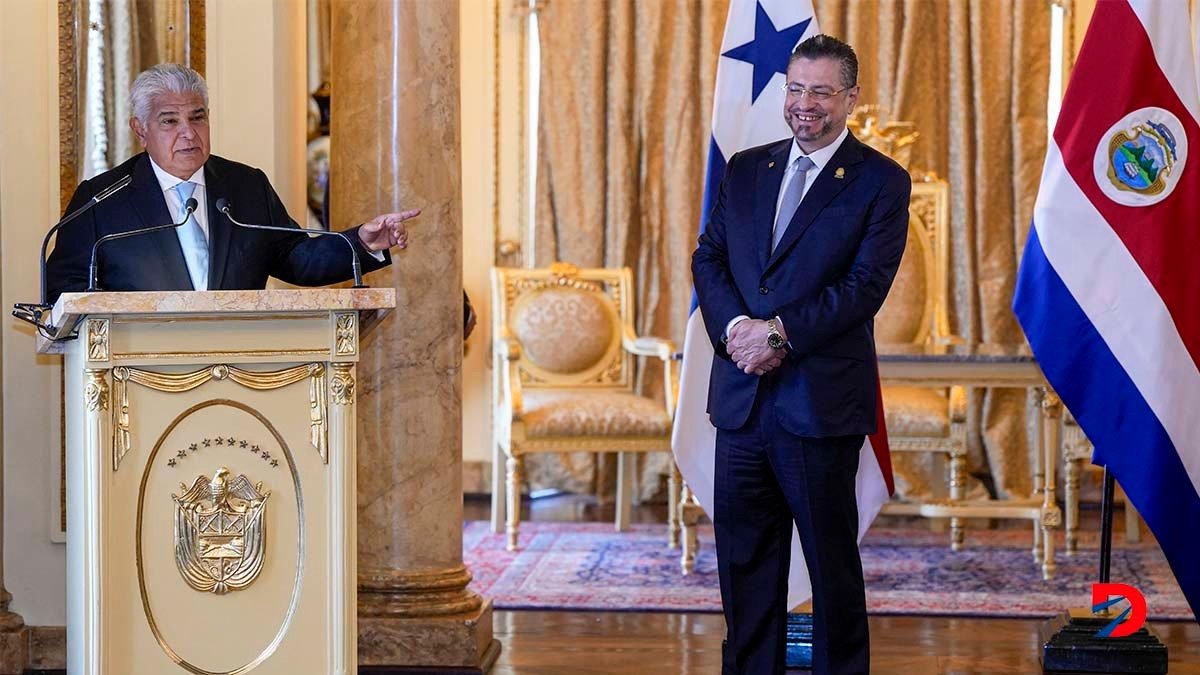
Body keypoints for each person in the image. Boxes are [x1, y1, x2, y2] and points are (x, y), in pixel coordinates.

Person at [691, 34, 911, 675]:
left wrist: (778, 334)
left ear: (851, 97)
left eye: (820, 91)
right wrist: (735, 328)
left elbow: (863, 289)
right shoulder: (745, 167)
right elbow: (710, 257)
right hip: (741, 398)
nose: (804, 104)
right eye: (795, 88)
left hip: (817, 404)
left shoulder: (880, 182)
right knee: (746, 561)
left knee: (830, 565)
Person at [46, 63, 419, 303]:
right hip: (138, 386)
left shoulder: (246, 186)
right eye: (169, 121)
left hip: (239, 380)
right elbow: (63, 293)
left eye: (197, 117)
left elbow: (298, 260)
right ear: (140, 130)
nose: (188, 134)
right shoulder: (101, 200)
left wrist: (360, 243)